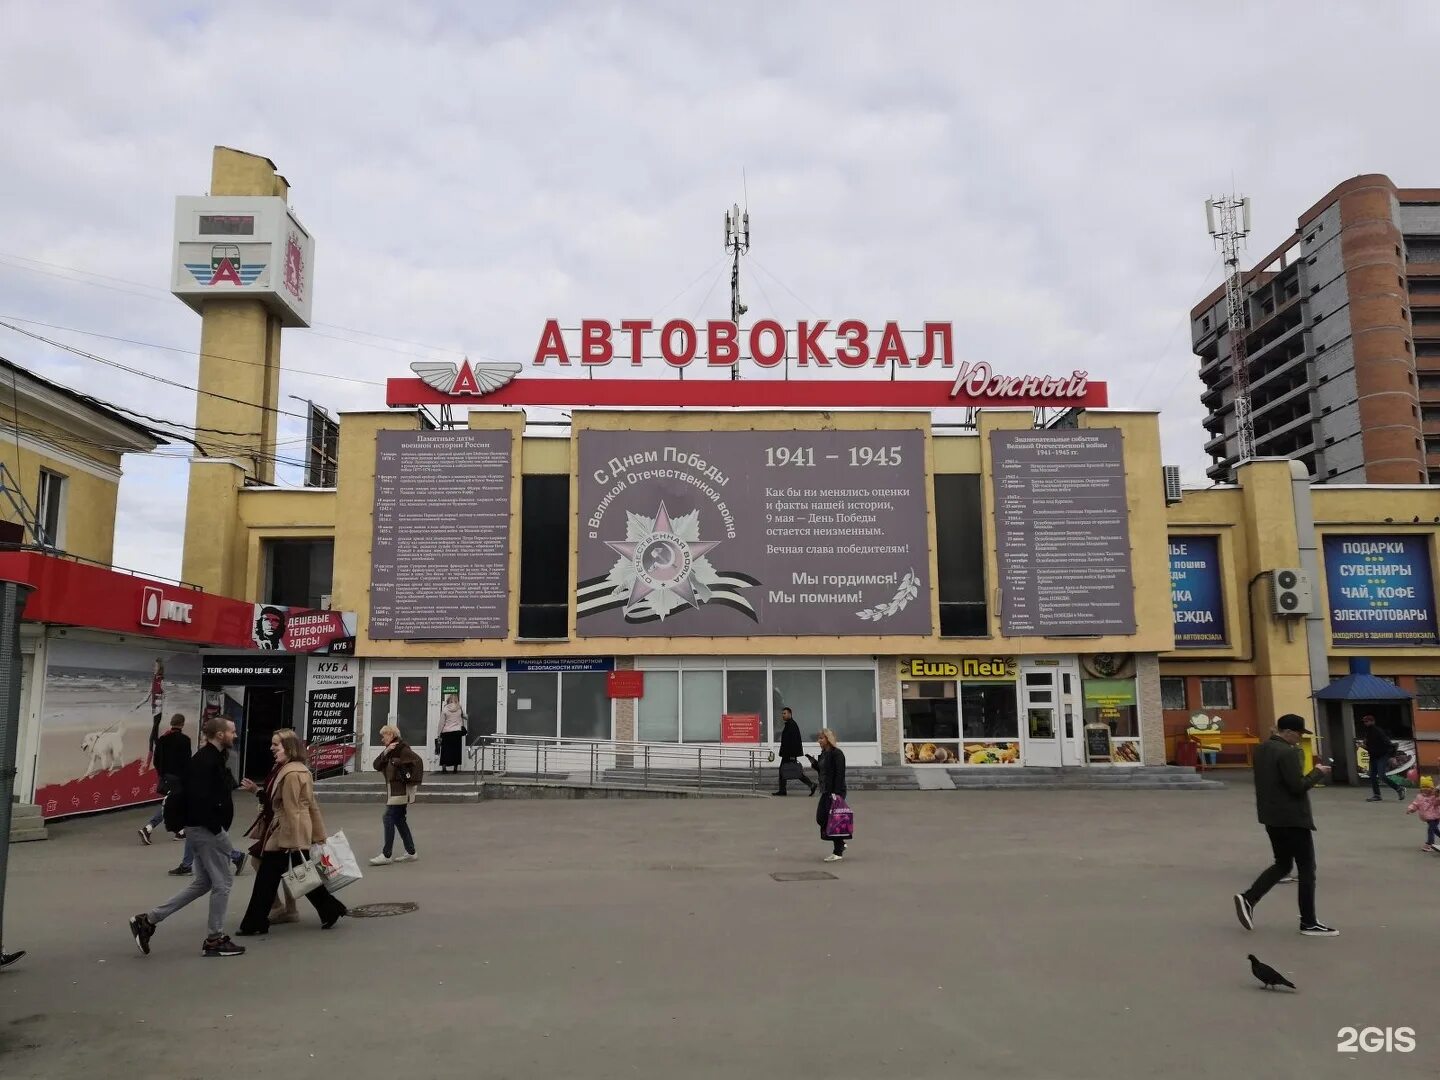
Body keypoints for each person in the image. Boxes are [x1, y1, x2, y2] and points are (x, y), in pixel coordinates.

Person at [129, 717, 256, 958]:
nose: (235, 735)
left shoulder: (212, 757)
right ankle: (214, 939)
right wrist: (217, 830)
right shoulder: (205, 761)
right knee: (223, 883)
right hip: (207, 830)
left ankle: (149, 920)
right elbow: (200, 800)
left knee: (203, 883)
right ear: (219, 735)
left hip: (202, 829)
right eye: (232, 731)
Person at [1233, 714, 1338, 937]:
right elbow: (1297, 786)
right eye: (1299, 734)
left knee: (1282, 864)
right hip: (1293, 818)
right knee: (1307, 869)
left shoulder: (1262, 750)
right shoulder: (1287, 752)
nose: (1300, 739)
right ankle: (1309, 922)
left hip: (1271, 816)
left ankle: (1249, 898)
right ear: (1288, 732)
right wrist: (1318, 772)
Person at [236, 729, 346, 935]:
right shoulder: (286, 769)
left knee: (267, 879)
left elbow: (294, 809)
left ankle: (255, 922)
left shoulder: (292, 773)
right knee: (301, 873)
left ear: (288, 747)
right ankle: (330, 908)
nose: (271, 748)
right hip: (285, 830)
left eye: (275, 745)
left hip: (286, 831)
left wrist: (295, 841)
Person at [370, 724, 423, 866]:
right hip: (393, 790)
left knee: (388, 817)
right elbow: (376, 765)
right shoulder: (391, 750)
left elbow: (417, 763)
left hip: (401, 790)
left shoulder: (402, 749)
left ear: (391, 735)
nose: (382, 739)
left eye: (384, 736)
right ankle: (411, 852)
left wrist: (406, 773)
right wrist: (386, 751)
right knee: (399, 819)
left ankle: (387, 854)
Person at [140, 713, 191, 845]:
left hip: (166, 776)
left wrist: (162, 773)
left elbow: (156, 760)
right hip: (179, 778)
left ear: (172, 723)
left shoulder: (163, 739)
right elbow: (187, 761)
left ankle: (179, 831)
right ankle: (148, 828)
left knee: (174, 803)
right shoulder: (185, 740)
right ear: (182, 724)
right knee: (169, 804)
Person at [806, 728, 848, 862]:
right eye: (819, 738)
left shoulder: (837, 754)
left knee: (832, 819)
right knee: (821, 818)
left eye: (821, 738)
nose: (819, 741)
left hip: (835, 791)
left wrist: (836, 794)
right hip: (825, 790)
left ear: (828, 739)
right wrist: (814, 763)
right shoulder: (824, 753)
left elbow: (839, 774)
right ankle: (840, 843)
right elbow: (823, 771)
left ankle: (838, 851)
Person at [772, 707, 816, 797]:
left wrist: (792, 755)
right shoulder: (789, 724)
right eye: (782, 714)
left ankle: (811, 784)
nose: (783, 715)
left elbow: (794, 741)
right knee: (785, 771)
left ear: (790, 714)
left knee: (793, 771)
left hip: (789, 754)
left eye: (784, 713)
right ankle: (782, 790)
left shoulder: (792, 725)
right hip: (787, 754)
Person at [1360, 715, 1405, 802]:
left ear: (1372, 721)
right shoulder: (1368, 732)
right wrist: (1365, 746)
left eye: (1367, 721)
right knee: (1372, 776)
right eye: (1364, 722)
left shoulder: (1378, 731)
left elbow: (1388, 743)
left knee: (1381, 775)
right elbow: (1370, 745)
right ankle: (1377, 795)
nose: (1365, 723)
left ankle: (1399, 788)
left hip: (1382, 756)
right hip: (1373, 756)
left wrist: (1392, 756)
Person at [136, 658, 165, 766]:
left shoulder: (162, 681)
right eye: (154, 666)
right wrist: (138, 704)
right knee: (155, 736)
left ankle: (149, 758)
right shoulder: (154, 680)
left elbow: (166, 695)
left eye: (156, 666)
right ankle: (160, 755)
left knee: (152, 735)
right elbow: (148, 695)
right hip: (154, 711)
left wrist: (163, 709)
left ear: (160, 669)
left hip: (159, 711)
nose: (154, 668)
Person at [1404, 775, 1440, 852]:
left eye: (1428, 787)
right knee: (1435, 830)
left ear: (1432, 788)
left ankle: (1430, 844)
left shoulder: (1434, 796)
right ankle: (1431, 843)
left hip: (1435, 817)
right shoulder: (1419, 797)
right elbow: (1415, 804)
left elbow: (1437, 802)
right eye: (1423, 787)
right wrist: (1410, 809)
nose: (1425, 788)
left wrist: (1437, 796)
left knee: (1431, 829)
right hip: (1427, 817)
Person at [438, 693, 466, 774]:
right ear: (457, 700)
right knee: (456, 750)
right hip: (457, 732)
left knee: (445, 750)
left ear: (448, 700)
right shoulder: (459, 708)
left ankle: (444, 768)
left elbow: (441, 722)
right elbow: (464, 716)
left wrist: (439, 733)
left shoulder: (445, 709)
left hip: (446, 732)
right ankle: (455, 768)